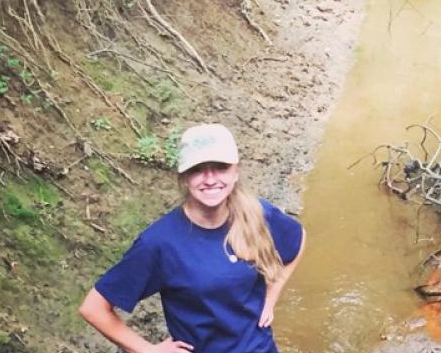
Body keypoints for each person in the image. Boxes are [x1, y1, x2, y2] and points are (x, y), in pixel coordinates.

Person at [79, 123, 306, 353]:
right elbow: (93, 308)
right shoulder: (160, 243)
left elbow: (298, 240)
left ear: (235, 171)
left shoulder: (258, 213)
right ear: (184, 176)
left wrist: (270, 296)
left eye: (220, 167)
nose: (210, 179)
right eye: (198, 169)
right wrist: (148, 350)